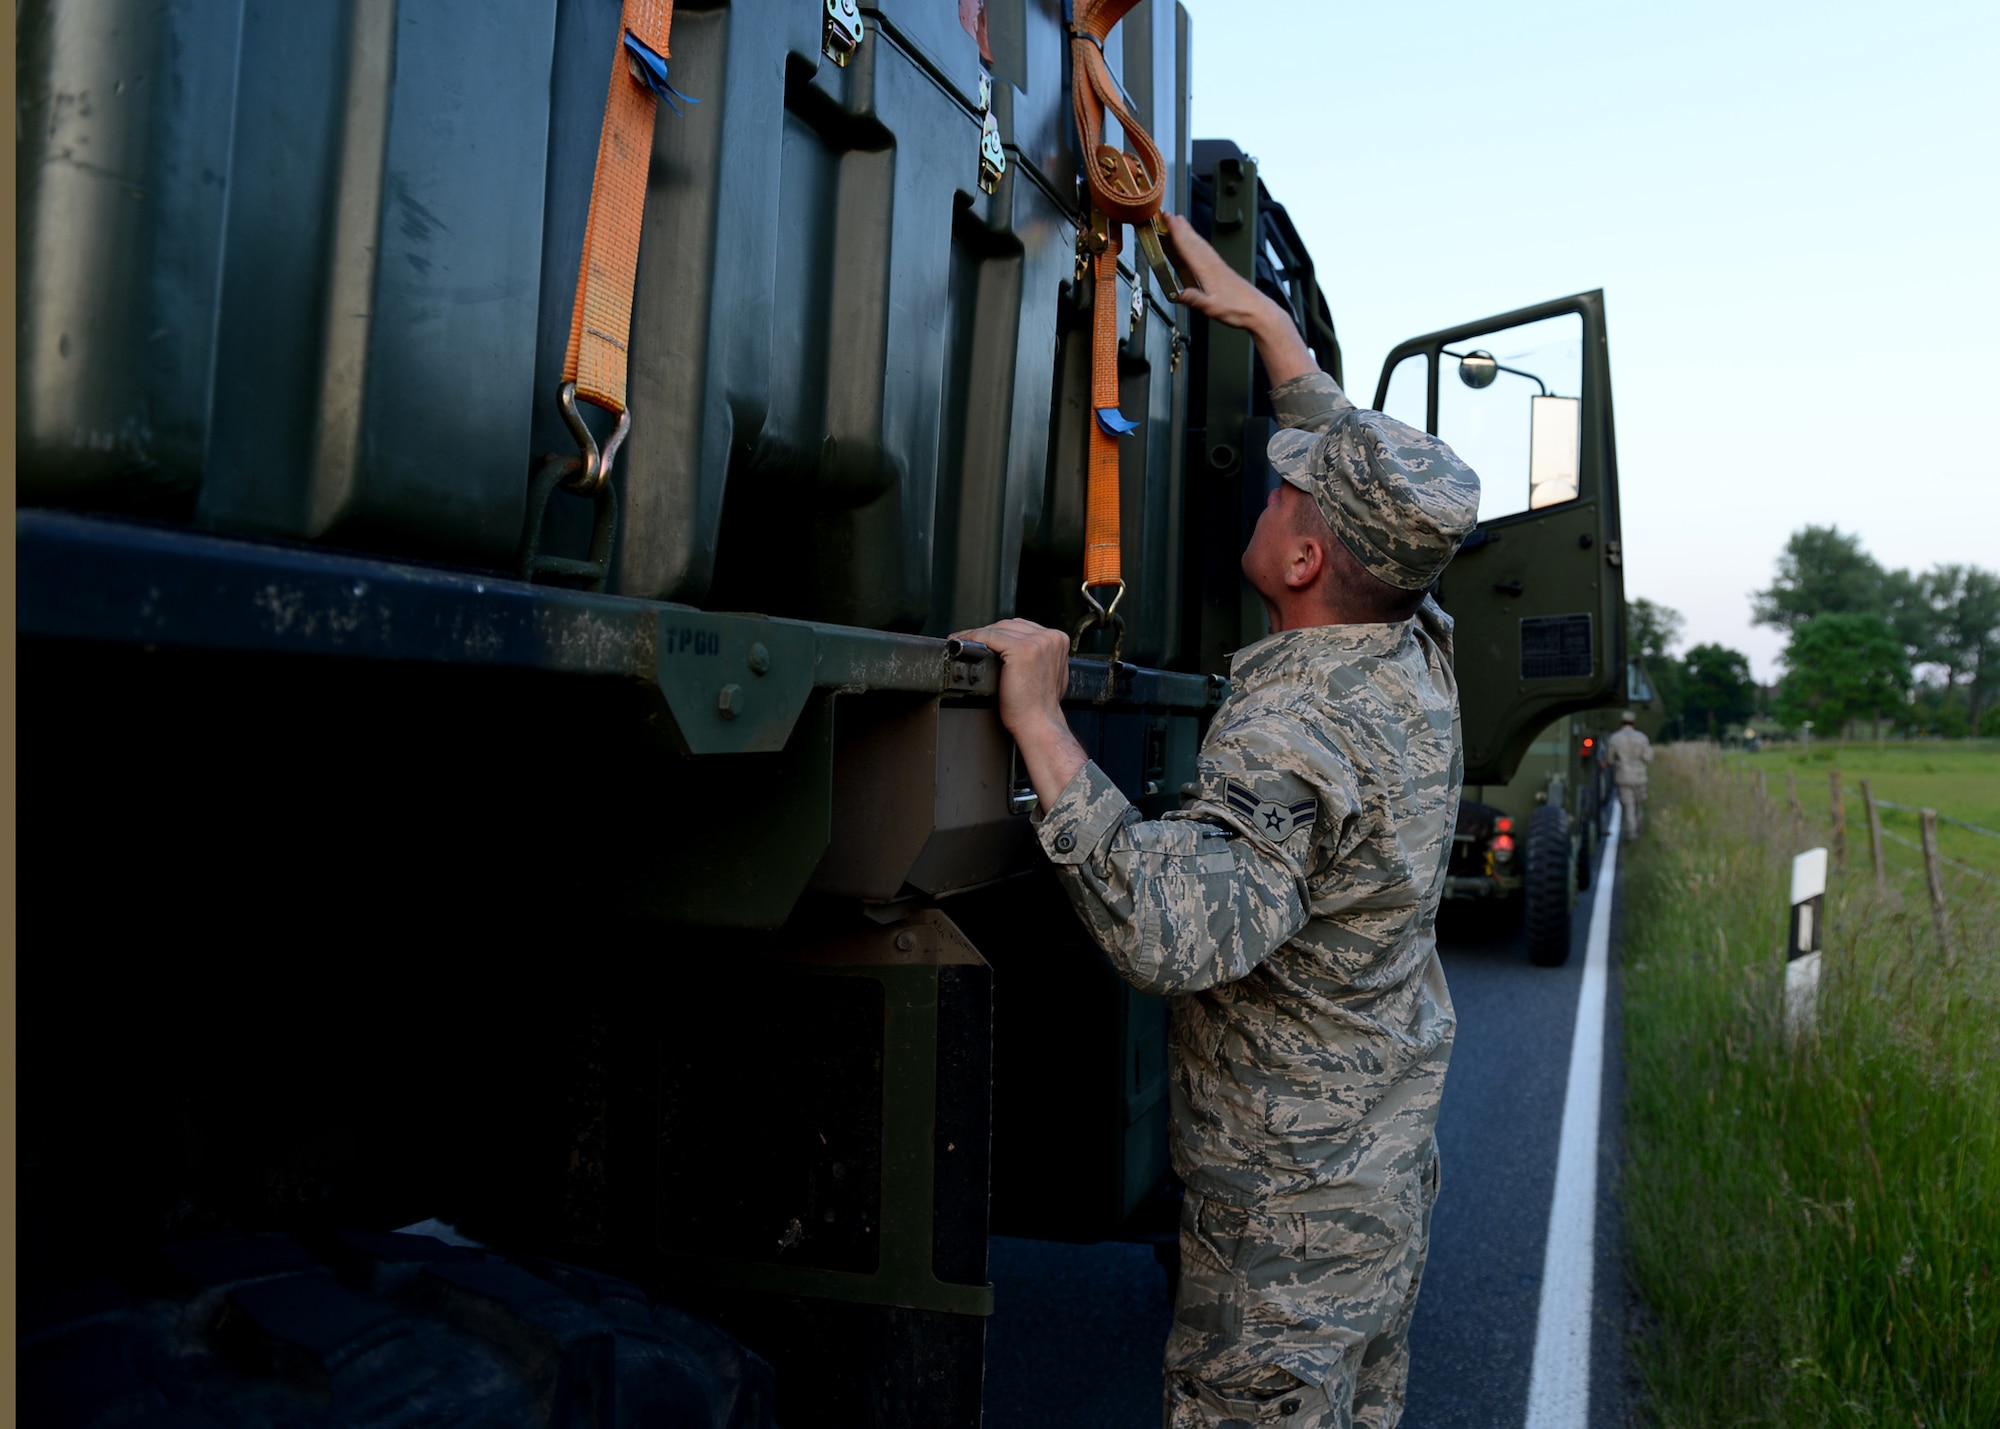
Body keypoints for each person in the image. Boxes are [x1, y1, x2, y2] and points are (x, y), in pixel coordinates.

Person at [953, 212, 1480, 1429]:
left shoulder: (1297, 729)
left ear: (1303, 561)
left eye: (1286, 489)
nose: (1271, 480)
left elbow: (1168, 932)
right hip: (1378, 1174)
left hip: (1285, 1225)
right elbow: (1367, 486)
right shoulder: (1411, 650)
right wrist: (1278, 339)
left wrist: (1040, 722)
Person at [1604, 710, 1654, 840]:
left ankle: (1631, 834)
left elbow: (1609, 760)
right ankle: (1639, 830)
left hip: (1623, 777)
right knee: (1639, 806)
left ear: (1621, 722)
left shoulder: (1614, 738)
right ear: (1634, 722)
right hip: (1640, 777)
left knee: (1628, 807)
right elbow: (1648, 758)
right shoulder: (1642, 738)